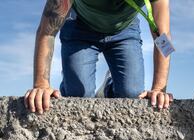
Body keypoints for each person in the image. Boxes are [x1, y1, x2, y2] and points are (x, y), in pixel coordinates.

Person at [24, 0, 173, 114]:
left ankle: (108, 88)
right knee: (78, 95)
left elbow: (163, 38)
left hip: (124, 30)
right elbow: (47, 32)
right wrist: (41, 85)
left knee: (131, 94)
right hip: (79, 26)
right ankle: (70, 80)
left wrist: (159, 89)